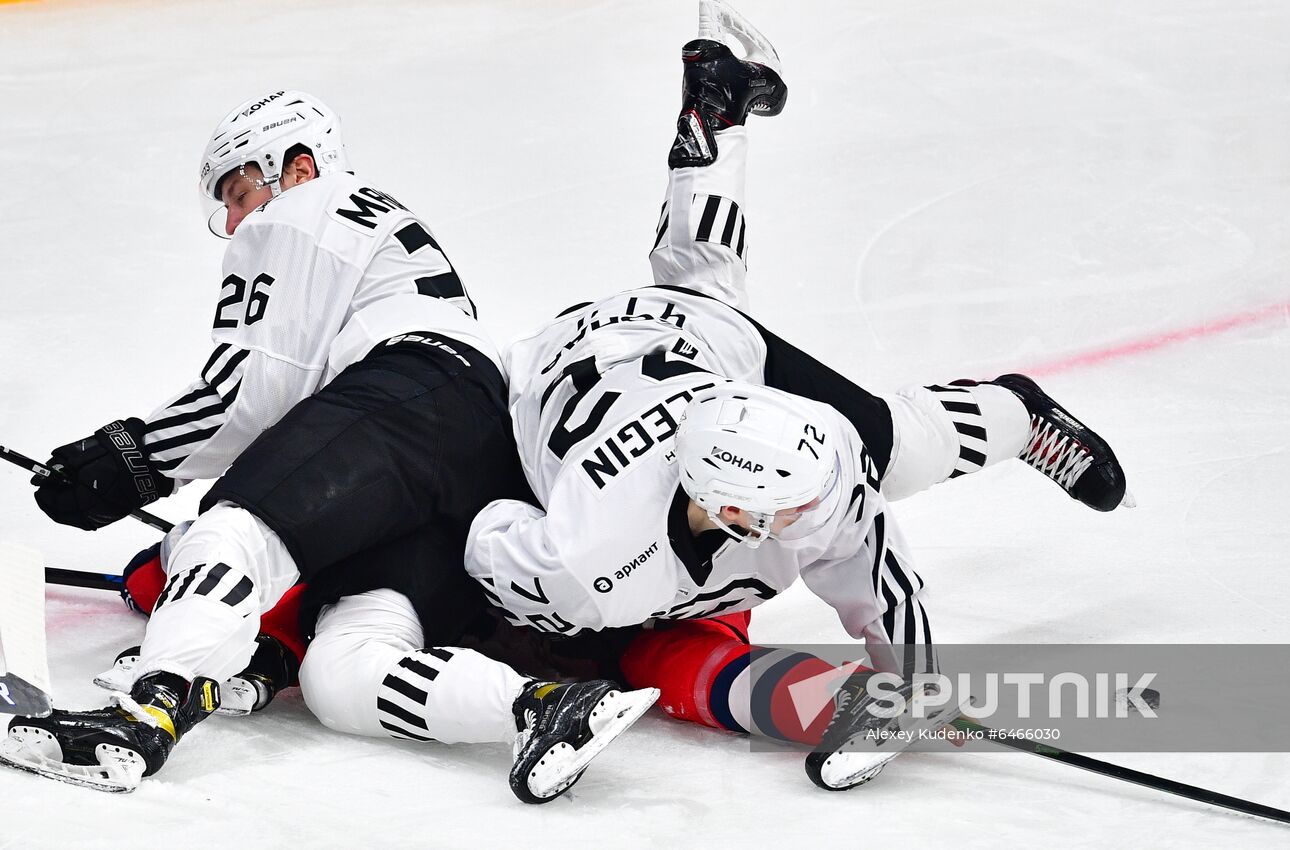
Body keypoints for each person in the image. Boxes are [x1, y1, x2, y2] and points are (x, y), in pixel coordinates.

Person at [461, 0, 1131, 791]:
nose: (810, 518)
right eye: (781, 514)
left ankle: (1016, 413)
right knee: (698, 274)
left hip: (699, 349)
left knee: (887, 448)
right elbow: (487, 537)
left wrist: (914, 688)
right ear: (733, 509)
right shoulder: (587, 551)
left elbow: (879, 569)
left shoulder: (812, 470)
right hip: (564, 373)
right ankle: (714, 98)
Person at [0, 91, 654, 802]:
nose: (238, 218)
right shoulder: (368, 227)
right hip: (476, 454)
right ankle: (539, 708)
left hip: (408, 396)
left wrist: (131, 458)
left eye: (243, 191)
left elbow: (245, 394)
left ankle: (144, 716)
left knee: (234, 529)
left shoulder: (303, 210)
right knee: (342, 668)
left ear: (298, 166)